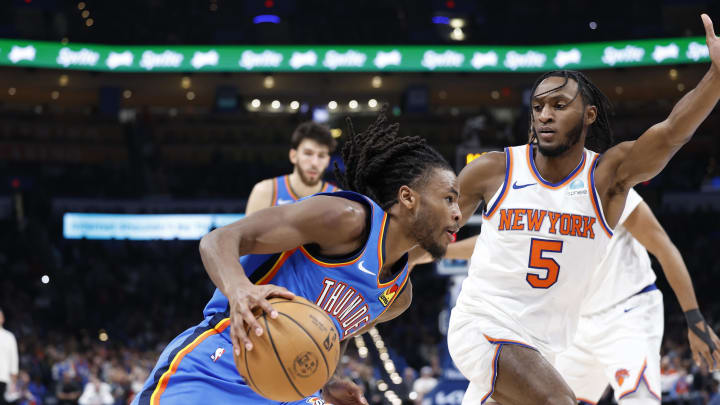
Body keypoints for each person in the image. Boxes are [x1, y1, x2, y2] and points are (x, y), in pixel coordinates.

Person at [445, 14, 720, 405]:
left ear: (589, 115)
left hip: (570, 332)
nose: (545, 114)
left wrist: (716, 77)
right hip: (487, 325)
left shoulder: (608, 180)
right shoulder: (497, 169)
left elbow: (673, 131)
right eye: (538, 106)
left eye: (559, 104)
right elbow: (437, 229)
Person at [131, 110, 461, 405]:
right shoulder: (346, 218)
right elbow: (219, 239)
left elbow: (333, 333)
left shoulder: (398, 297)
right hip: (220, 365)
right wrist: (239, 289)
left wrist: (326, 379)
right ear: (408, 198)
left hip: (291, 392)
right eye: (448, 199)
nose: (458, 214)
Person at [245, 121, 339, 214]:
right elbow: (247, 230)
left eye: (321, 156)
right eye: (308, 154)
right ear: (293, 156)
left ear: (327, 161)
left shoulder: (338, 199)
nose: (314, 163)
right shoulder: (265, 192)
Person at [0, 308, 18, 405]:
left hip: (4, 378)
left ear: (3, 319)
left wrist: (14, 380)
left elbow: (14, 359)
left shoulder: (9, 336)